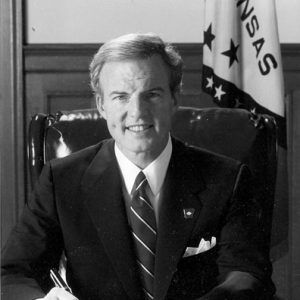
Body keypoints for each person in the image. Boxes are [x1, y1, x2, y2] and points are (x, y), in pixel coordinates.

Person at [1, 33, 274, 300]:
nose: (137, 112)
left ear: (174, 99)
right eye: (121, 97)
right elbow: (12, 274)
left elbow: (246, 276)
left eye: (152, 95)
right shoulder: (61, 180)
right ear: (102, 105)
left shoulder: (228, 179)